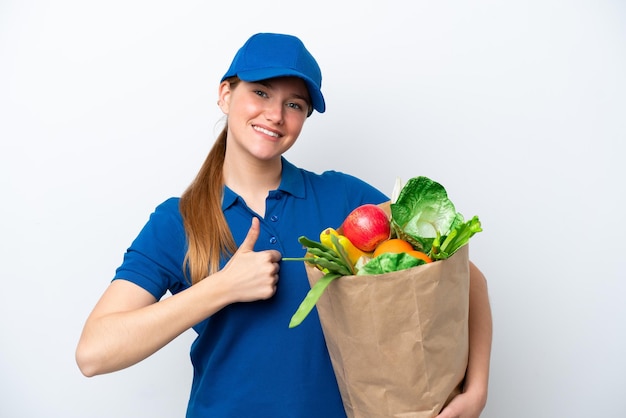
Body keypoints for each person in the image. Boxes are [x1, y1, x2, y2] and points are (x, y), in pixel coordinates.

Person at [75, 32, 492, 418]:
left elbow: (465, 278)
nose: (275, 115)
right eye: (260, 92)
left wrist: (475, 391)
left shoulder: (343, 199)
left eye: (294, 104)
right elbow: (94, 352)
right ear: (225, 94)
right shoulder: (178, 221)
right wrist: (222, 287)